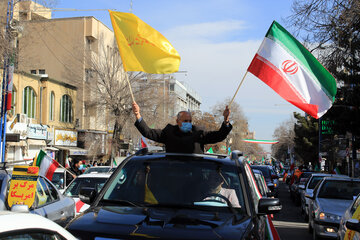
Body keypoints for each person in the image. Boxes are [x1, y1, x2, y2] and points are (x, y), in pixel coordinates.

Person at [132, 102, 232, 153]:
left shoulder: (199, 133)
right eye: (185, 121)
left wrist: (226, 119)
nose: (188, 123)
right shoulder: (168, 133)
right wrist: (137, 114)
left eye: (190, 121)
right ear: (177, 121)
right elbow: (148, 132)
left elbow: (219, 136)